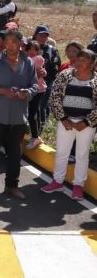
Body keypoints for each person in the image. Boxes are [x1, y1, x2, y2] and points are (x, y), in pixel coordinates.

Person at [0, 29, 38, 200]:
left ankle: (12, 186)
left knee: (15, 153)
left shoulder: (28, 62)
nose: (9, 45)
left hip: (19, 116)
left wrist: (27, 93)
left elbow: (34, 85)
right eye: (7, 42)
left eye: (13, 42)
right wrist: (2, 90)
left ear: (20, 43)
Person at [41, 49, 97, 201]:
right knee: (62, 152)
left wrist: (86, 122)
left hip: (86, 125)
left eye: (84, 60)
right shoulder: (64, 75)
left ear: (92, 64)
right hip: (66, 122)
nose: (79, 63)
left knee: (82, 155)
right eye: (78, 59)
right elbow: (55, 97)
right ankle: (57, 181)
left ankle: (78, 186)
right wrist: (64, 118)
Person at [33, 25, 60, 124]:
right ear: (35, 35)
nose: (43, 38)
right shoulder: (29, 47)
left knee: (42, 105)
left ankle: (42, 126)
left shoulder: (52, 50)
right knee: (32, 106)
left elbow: (57, 65)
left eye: (45, 36)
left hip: (46, 82)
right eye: (40, 35)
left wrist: (48, 77)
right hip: (30, 81)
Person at [25, 41, 47, 150]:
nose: (32, 51)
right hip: (37, 89)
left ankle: (35, 136)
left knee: (32, 113)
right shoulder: (33, 59)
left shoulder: (36, 59)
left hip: (37, 90)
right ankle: (37, 135)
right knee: (35, 112)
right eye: (30, 49)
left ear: (38, 51)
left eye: (35, 49)